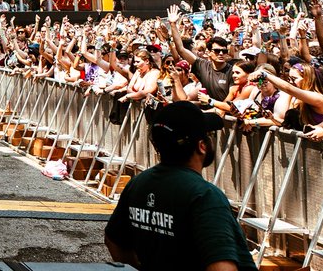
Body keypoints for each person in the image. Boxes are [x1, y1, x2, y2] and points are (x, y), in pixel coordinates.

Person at [104, 101, 258, 271]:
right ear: (201, 146)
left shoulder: (139, 183)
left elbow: (113, 240)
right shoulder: (205, 195)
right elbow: (222, 267)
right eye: (210, 135)